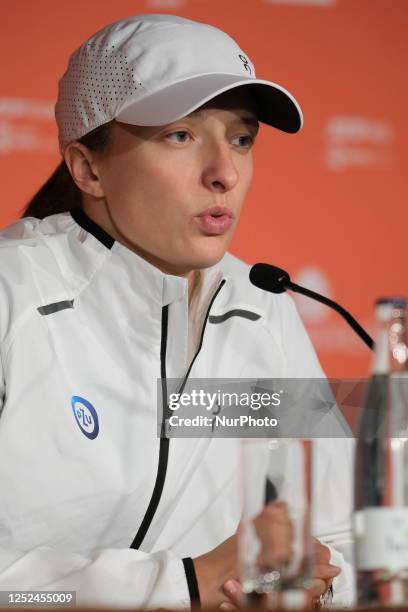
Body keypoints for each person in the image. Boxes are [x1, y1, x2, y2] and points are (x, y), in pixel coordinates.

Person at [0, 13, 354, 608]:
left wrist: (298, 584)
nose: (225, 172)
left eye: (241, 138)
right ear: (88, 167)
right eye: (180, 136)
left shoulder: (261, 307)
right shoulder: (13, 294)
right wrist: (179, 585)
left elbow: (339, 535)